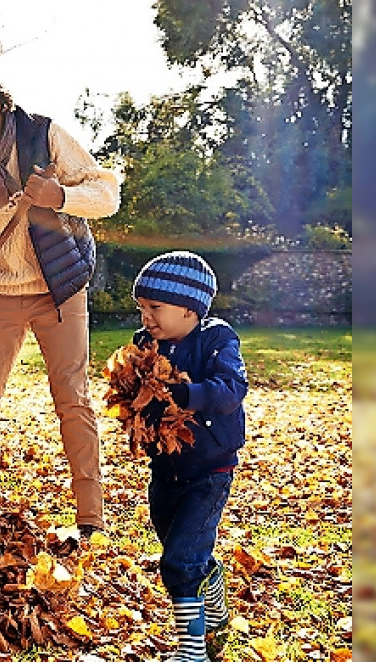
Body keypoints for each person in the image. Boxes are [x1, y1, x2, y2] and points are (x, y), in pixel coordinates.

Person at [0, 68, 119, 535]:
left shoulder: (44, 136)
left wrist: (61, 195)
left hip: (58, 288)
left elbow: (107, 194)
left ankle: (91, 519)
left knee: (71, 398)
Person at [131, 251, 247, 661]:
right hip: (165, 469)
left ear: (189, 308)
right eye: (142, 307)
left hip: (210, 469)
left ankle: (191, 652)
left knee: (179, 560)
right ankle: (210, 581)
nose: (146, 317)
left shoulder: (218, 339)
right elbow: (137, 389)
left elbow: (231, 389)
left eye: (155, 308)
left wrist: (187, 394)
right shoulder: (146, 344)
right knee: (180, 548)